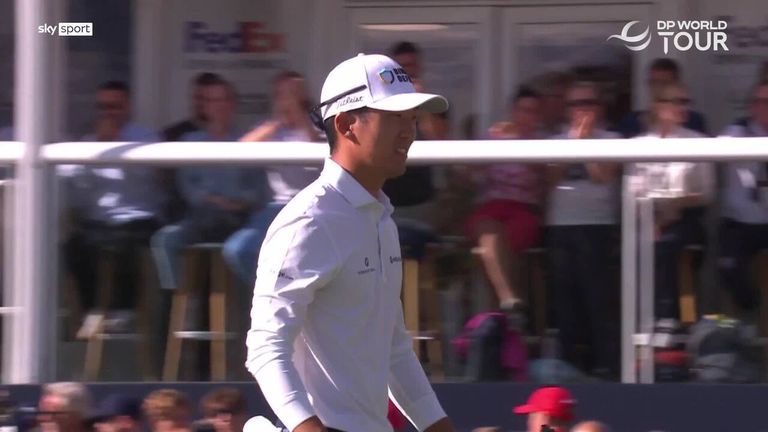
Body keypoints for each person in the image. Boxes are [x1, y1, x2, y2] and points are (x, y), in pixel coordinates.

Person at [246, 53, 454, 432]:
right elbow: (265, 347)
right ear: (346, 125)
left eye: (411, 118)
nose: (409, 131)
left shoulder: (380, 219)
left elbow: (394, 350)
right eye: (394, 117)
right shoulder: (308, 220)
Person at [60, 80, 165, 338]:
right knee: (74, 245)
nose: (108, 113)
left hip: (138, 217)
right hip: (99, 221)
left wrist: (115, 142)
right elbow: (75, 186)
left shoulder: (145, 138)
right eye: (103, 107)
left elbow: (145, 176)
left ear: (127, 107)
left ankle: (124, 311)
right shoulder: (89, 142)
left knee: (123, 243)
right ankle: (92, 310)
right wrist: (96, 149)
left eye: (114, 106)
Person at [545, 81, 622, 378]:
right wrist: (573, 143)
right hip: (561, 227)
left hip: (598, 227)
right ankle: (568, 367)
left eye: (588, 102)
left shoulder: (613, 139)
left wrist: (585, 143)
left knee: (599, 299)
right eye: (576, 104)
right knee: (565, 300)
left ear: (600, 107)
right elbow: (551, 179)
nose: (582, 109)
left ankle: (606, 366)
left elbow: (604, 176)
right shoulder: (554, 141)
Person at [224, 70, 323, 287]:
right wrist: (279, 120)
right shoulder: (272, 130)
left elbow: (323, 147)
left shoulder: (319, 125)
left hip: (315, 206)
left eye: (292, 94)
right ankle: (272, 291)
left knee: (303, 255)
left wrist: (300, 115)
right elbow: (239, 150)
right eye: (281, 94)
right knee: (239, 249)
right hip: (276, 207)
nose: (286, 100)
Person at [631, 82, 715, 329]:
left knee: (665, 245)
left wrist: (673, 207)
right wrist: (653, 218)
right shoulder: (639, 143)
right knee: (632, 246)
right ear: (658, 106)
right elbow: (633, 191)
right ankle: (642, 322)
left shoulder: (698, 142)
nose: (682, 107)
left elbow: (707, 193)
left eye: (685, 101)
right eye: (676, 101)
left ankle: (668, 319)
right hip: (648, 217)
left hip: (686, 217)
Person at [463, 86, 545, 324]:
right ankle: (509, 302)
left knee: (496, 248)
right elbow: (469, 172)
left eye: (532, 112)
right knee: (488, 231)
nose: (526, 117)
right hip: (492, 205)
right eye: (522, 110)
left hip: (524, 208)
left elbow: (545, 178)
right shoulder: (495, 137)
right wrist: (493, 145)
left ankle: (498, 313)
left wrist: (522, 144)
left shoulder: (542, 142)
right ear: (513, 111)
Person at [718, 80, 768, 326]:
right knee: (729, 268)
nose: (764, 107)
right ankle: (750, 314)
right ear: (751, 106)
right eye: (760, 102)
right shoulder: (737, 132)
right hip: (739, 223)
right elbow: (718, 149)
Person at [617, 58, 707, 137]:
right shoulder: (631, 121)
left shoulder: (693, 121)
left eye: (664, 83)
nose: (658, 87)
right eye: (654, 82)